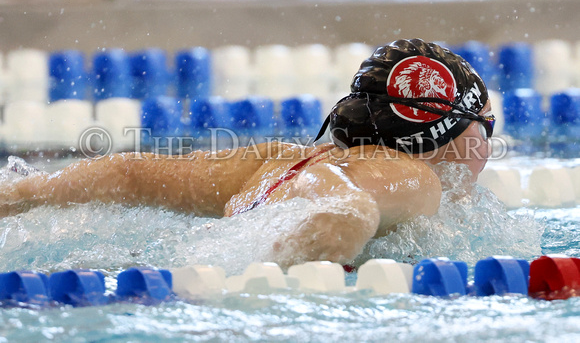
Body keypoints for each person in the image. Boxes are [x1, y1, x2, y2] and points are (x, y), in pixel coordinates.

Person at [0, 38, 495, 268]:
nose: (488, 146)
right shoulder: (414, 179)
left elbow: (129, 173)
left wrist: (20, 193)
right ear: (450, 131)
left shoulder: (275, 158)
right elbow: (343, 203)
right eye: (486, 126)